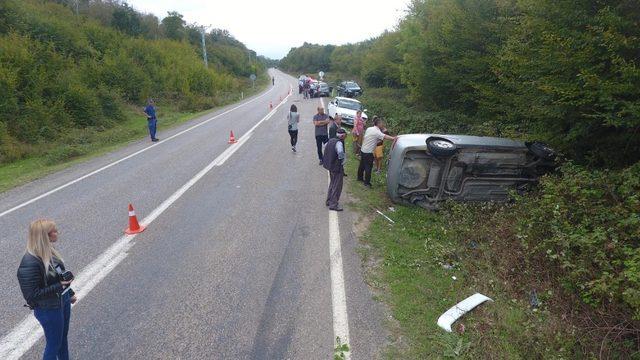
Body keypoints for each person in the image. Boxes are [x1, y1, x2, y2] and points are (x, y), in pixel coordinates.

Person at [17, 220, 76, 360]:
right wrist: (60, 286)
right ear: (44, 236)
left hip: (62, 300)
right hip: (48, 309)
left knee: (62, 340)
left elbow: (58, 276)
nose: (57, 233)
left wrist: (69, 293)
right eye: (54, 231)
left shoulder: (49, 251)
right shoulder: (29, 262)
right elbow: (32, 295)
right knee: (54, 344)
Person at [358, 117, 396, 187]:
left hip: (363, 149)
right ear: (378, 124)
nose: (383, 124)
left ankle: (359, 177)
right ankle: (367, 183)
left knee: (362, 165)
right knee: (368, 167)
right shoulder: (377, 131)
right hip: (369, 152)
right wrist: (394, 138)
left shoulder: (369, 129)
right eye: (381, 123)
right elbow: (385, 136)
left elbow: (369, 137)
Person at [323, 128, 347, 211]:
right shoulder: (339, 143)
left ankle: (329, 200)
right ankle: (333, 204)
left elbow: (325, 146)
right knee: (337, 186)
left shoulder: (331, 140)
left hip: (330, 166)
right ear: (343, 135)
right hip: (337, 167)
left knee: (332, 184)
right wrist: (341, 161)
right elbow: (340, 152)